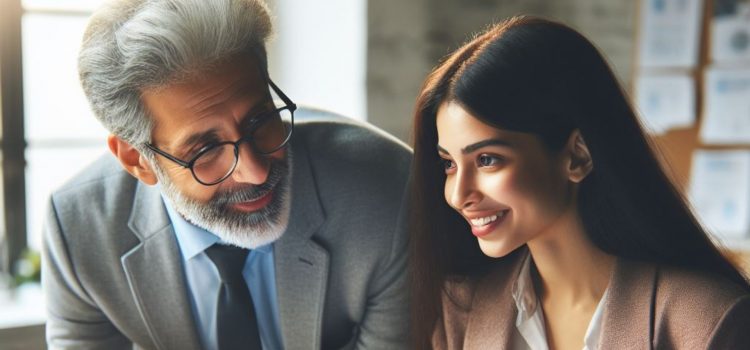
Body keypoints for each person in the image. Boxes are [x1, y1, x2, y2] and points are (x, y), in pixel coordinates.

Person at [42, 0, 411, 349]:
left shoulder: (386, 194)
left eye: (261, 119)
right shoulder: (78, 230)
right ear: (137, 160)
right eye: (204, 149)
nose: (255, 170)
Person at [409, 16, 750, 350]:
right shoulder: (458, 313)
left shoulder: (708, 323)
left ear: (577, 156)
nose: (458, 194)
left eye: (487, 160)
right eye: (449, 164)